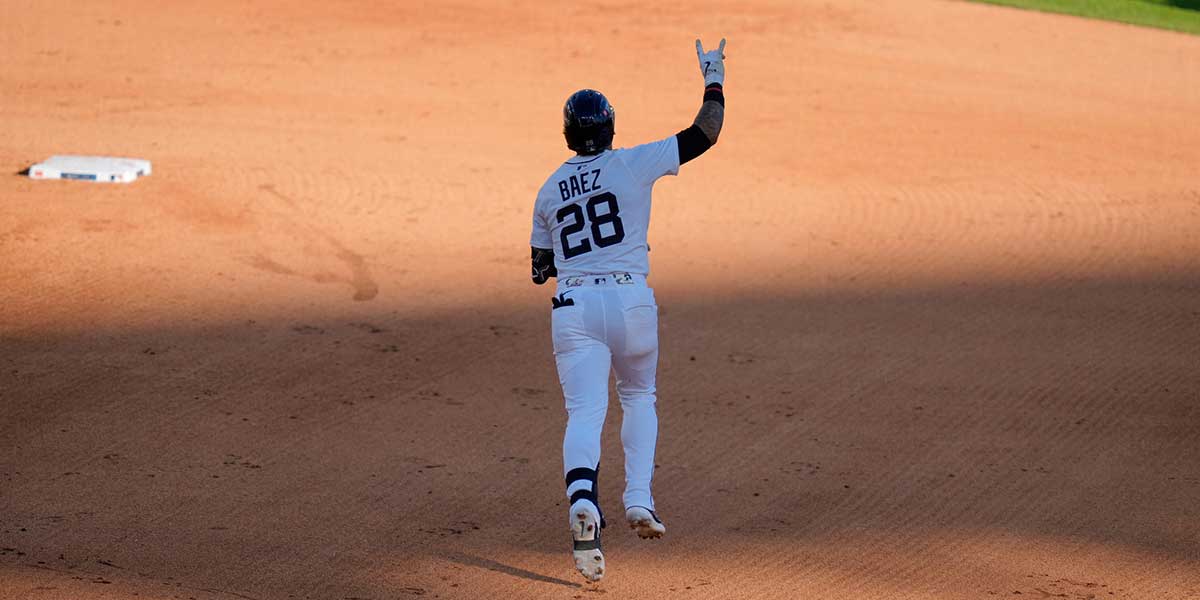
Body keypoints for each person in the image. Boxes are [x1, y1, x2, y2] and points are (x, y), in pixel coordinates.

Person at [529, 38, 727, 583]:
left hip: (573, 309)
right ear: (610, 130)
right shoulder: (635, 163)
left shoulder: (548, 190)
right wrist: (714, 79)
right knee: (639, 395)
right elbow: (704, 132)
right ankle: (639, 499)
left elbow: (540, 267)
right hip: (631, 298)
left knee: (584, 413)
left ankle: (582, 501)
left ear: (569, 135)